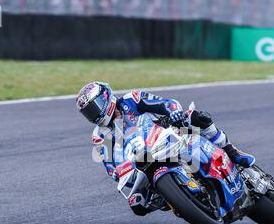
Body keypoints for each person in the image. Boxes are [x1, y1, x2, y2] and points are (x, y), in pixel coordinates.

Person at [76, 81, 255, 197]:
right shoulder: (99, 136)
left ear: (106, 98)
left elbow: (167, 104)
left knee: (197, 117)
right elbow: (110, 166)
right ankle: (181, 199)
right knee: (139, 204)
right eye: (88, 113)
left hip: (169, 132)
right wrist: (119, 173)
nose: (94, 115)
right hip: (143, 160)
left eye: (94, 107)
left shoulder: (132, 99)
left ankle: (231, 150)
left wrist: (173, 113)